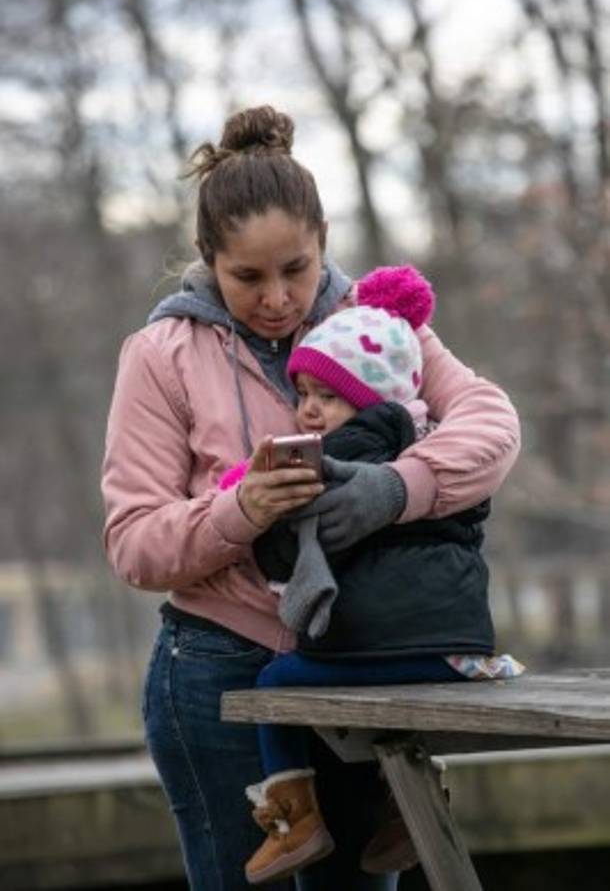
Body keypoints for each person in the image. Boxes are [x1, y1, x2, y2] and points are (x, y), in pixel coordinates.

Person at [101, 104, 521, 891]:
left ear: (324, 237)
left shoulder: (378, 324)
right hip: (214, 671)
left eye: (296, 267)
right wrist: (242, 511)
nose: (278, 299)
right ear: (206, 259)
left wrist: (397, 488)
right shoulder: (160, 355)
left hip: (360, 663)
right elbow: (133, 543)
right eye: (247, 277)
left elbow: (492, 426)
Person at [216, 264, 523, 884]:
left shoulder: (352, 445)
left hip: (406, 644)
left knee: (275, 685)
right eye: (301, 394)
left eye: (324, 397)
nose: (307, 411)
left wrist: (239, 491)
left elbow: (280, 530)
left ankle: (293, 817)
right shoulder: (431, 443)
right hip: (460, 647)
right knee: (381, 709)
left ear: (366, 397)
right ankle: (408, 807)